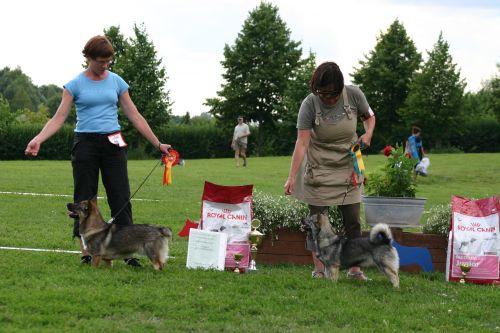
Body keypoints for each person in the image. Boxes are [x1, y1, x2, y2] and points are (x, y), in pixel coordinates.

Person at [24, 35, 171, 266]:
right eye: (101, 61)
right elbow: (58, 118)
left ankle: (127, 252)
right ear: (88, 57)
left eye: (108, 61)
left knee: (120, 195)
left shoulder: (117, 82)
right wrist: (38, 139)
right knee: (84, 197)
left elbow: (134, 115)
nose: (105, 66)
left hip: (113, 144)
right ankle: (86, 251)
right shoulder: (73, 85)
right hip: (86, 144)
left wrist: (158, 143)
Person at [284, 62, 376, 280]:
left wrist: (368, 134)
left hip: (350, 164)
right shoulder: (309, 104)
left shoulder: (354, 95)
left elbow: (370, 117)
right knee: (317, 221)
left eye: (333, 94)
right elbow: (302, 143)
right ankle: (320, 270)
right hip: (318, 166)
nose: (329, 99)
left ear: (341, 87)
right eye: (324, 94)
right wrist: (291, 177)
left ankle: (355, 269)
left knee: (352, 219)